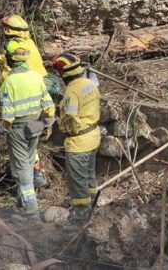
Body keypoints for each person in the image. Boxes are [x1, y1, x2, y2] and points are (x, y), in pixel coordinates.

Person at [0, 40, 55, 221]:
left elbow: (7, 115)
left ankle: (32, 212)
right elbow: (49, 106)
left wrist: (3, 131)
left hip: (18, 129)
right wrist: (47, 124)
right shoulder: (37, 77)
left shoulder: (9, 82)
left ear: (10, 60)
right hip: (35, 127)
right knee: (28, 162)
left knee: (22, 170)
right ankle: (23, 204)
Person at [51, 53, 101, 227]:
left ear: (63, 74)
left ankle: (80, 219)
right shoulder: (90, 84)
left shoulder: (71, 91)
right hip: (93, 137)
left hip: (78, 143)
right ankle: (94, 210)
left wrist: (62, 125)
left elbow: (70, 116)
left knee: (78, 183)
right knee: (89, 177)